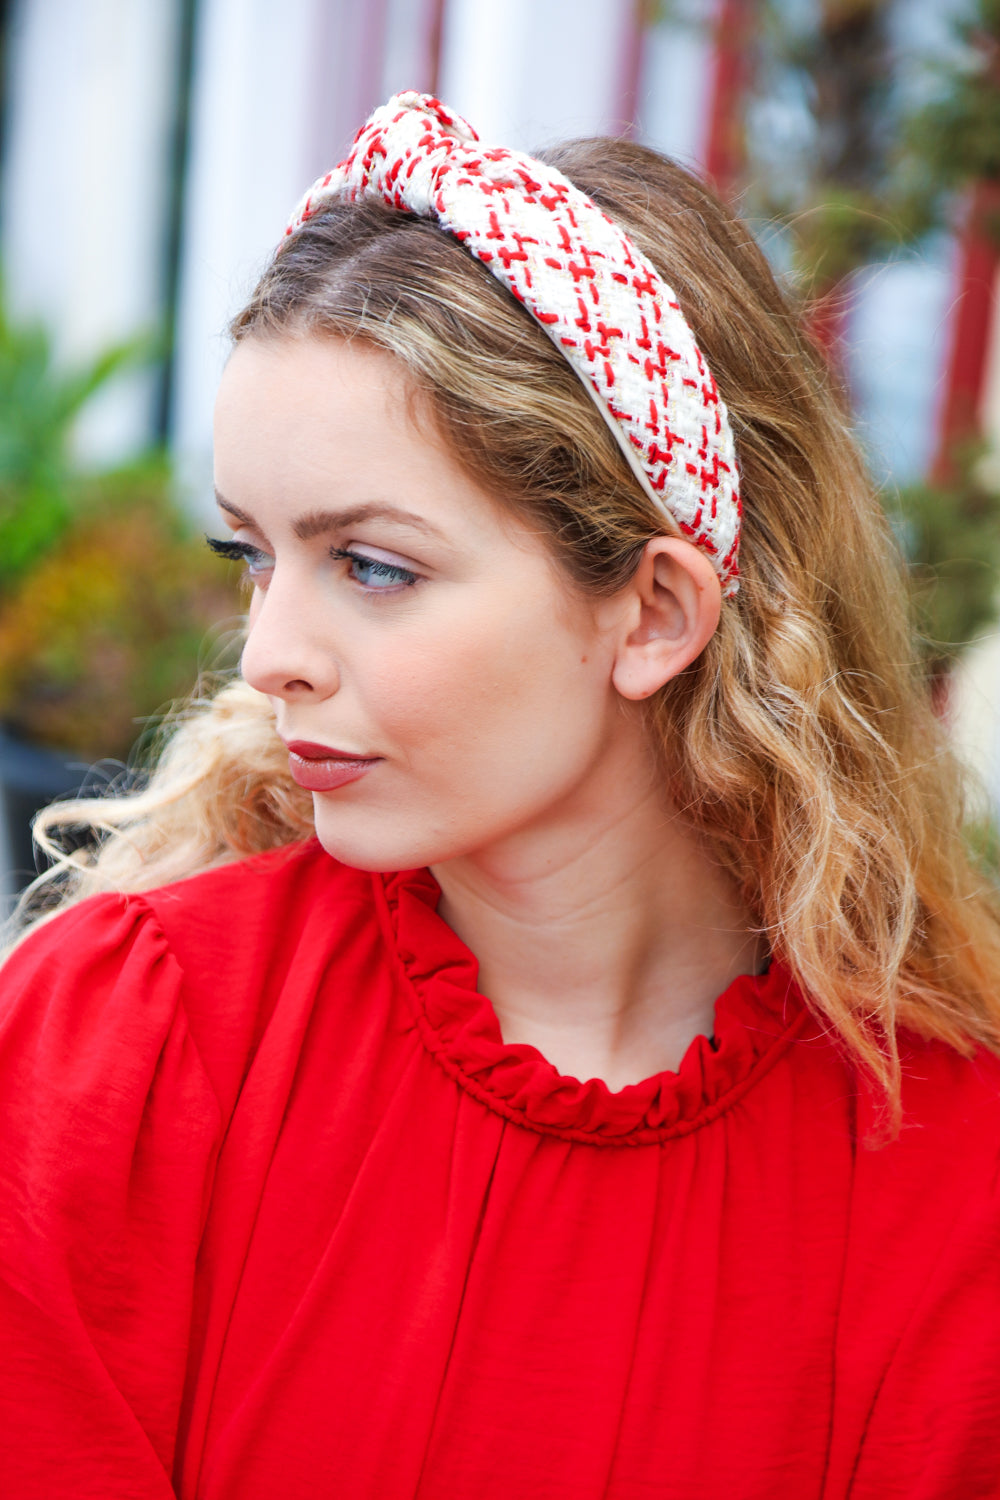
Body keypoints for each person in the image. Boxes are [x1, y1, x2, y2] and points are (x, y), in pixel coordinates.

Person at [2, 91, 999, 1500]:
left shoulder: (949, 1192)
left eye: (374, 567)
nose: (270, 655)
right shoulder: (118, 1052)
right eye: (256, 556)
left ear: (652, 612)